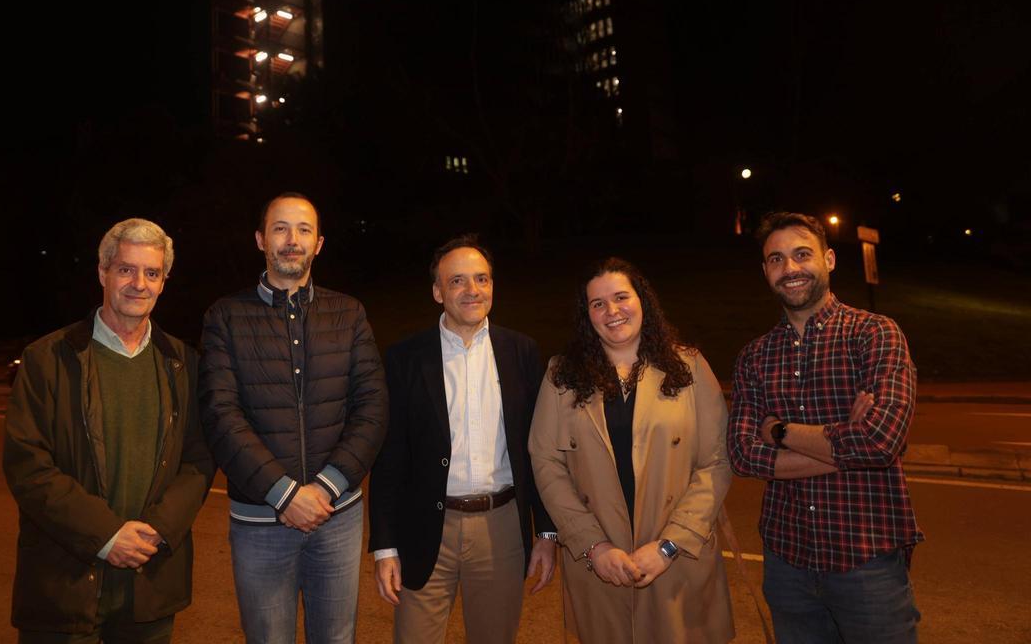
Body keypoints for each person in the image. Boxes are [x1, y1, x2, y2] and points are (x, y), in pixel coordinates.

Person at [3, 218, 214, 643]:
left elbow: (199, 459)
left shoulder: (184, 363)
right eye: (126, 269)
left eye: (151, 273)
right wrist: (105, 535)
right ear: (103, 273)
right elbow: (29, 466)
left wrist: (158, 529)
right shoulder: (48, 359)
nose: (139, 283)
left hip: (150, 587)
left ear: (163, 282)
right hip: (64, 587)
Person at [198, 192, 387, 644]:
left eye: (303, 230)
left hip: (336, 517)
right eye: (280, 228)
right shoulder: (225, 316)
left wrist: (324, 488)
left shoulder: (349, 313)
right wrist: (284, 495)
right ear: (261, 239)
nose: (291, 240)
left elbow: (373, 407)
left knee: (337, 638)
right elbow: (220, 414)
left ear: (318, 243)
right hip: (260, 522)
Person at [728, 211, 922, 643]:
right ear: (765, 271)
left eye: (802, 255)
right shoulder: (755, 357)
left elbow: (878, 441)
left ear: (829, 259)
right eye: (776, 259)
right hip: (787, 561)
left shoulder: (875, 335)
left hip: (867, 560)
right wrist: (843, 446)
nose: (790, 268)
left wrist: (778, 431)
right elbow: (742, 454)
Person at [529, 257, 734, 644]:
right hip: (600, 565)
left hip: (676, 560)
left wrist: (669, 545)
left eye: (621, 297)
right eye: (598, 303)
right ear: (586, 314)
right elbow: (546, 462)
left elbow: (717, 462)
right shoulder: (562, 375)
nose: (612, 311)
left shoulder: (687, 366)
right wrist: (593, 545)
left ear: (643, 300)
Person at [368, 235, 556, 643]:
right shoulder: (405, 358)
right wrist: (384, 547)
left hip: (501, 529)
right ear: (437, 291)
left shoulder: (522, 351)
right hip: (424, 528)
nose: (472, 290)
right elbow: (390, 456)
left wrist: (546, 532)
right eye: (457, 281)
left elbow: (539, 449)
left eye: (482, 279)